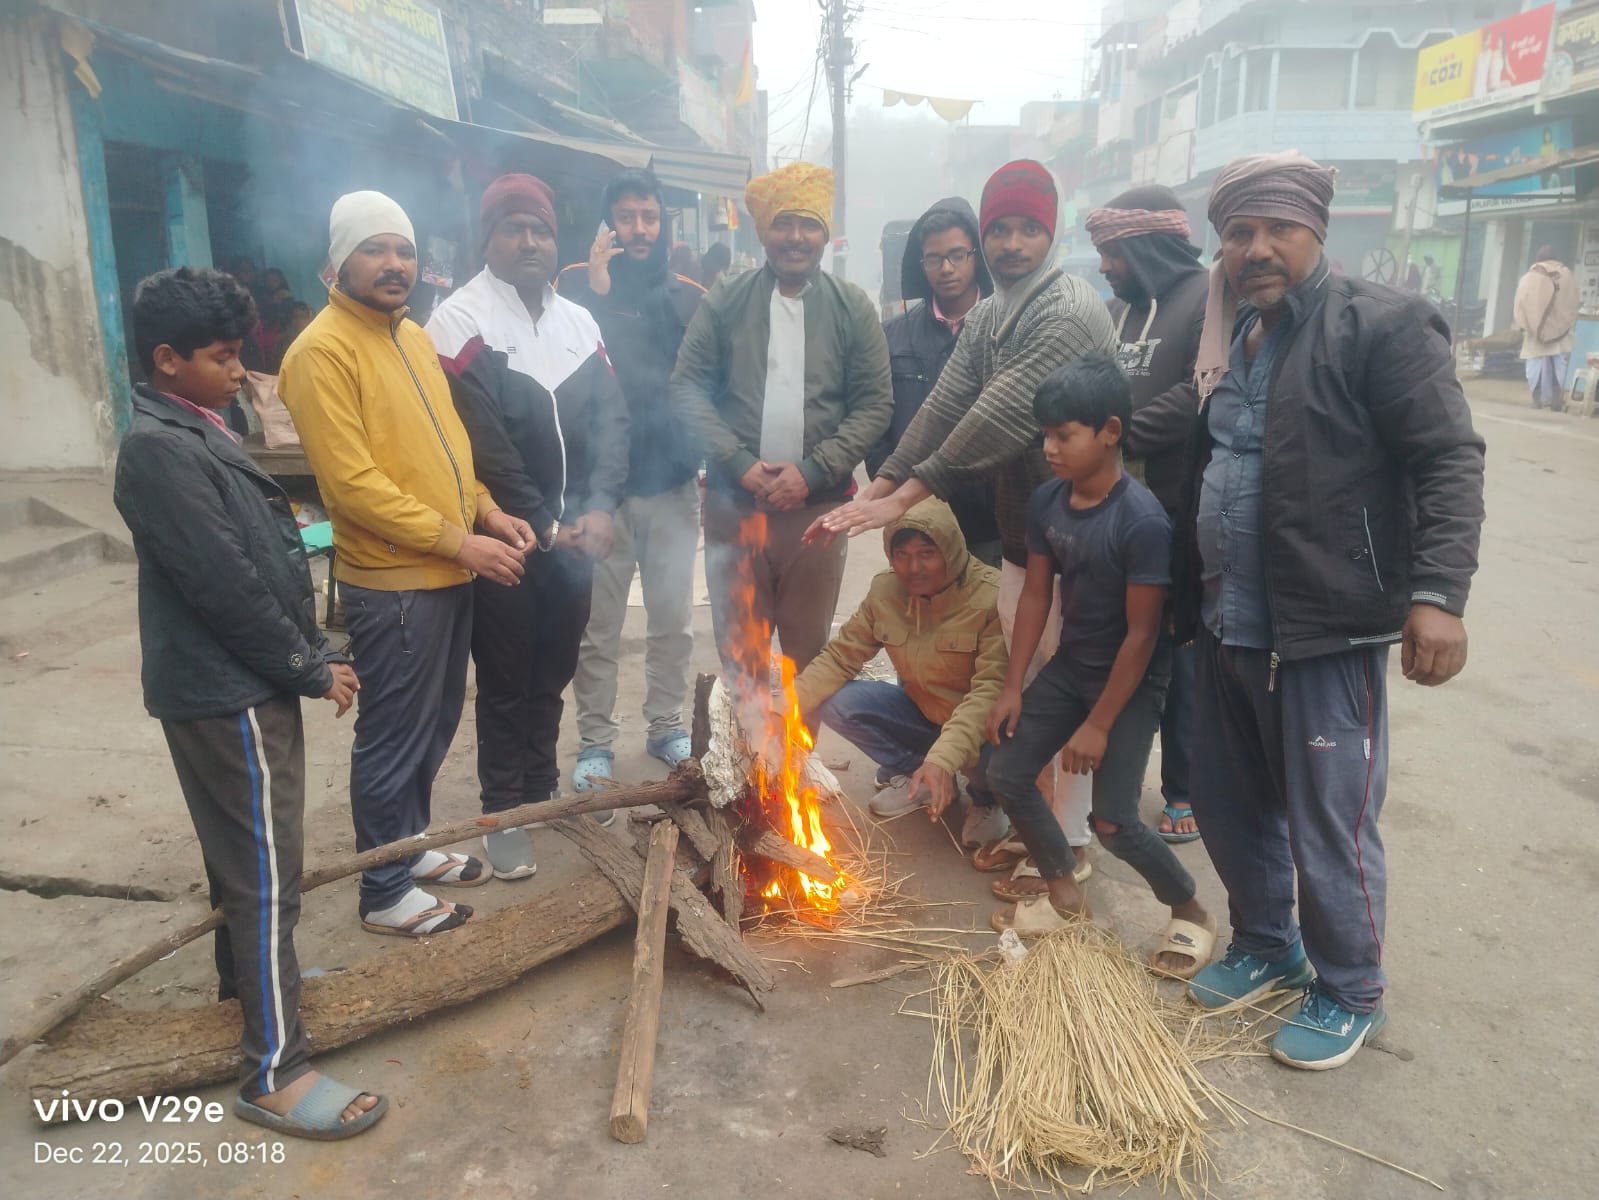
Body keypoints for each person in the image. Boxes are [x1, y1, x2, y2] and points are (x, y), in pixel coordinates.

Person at [1179, 152, 1485, 1070]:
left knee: (1330, 819)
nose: (1256, 249)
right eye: (1238, 233)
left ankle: (1350, 988)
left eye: (1278, 229)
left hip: (1324, 625)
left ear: (1320, 231)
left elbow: (1447, 459)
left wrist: (1437, 596)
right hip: (1230, 618)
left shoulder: (1379, 325)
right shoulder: (1243, 334)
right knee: (1233, 808)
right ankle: (1267, 945)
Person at [114, 266, 385, 1138]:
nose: (241, 372)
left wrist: (306, 653)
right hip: (228, 690)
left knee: (244, 864)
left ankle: (246, 996)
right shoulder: (157, 449)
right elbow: (224, 585)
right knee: (267, 877)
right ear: (167, 360)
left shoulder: (193, 425)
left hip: (232, 683)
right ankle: (274, 1069)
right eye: (224, 358)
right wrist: (312, 665)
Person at [814, 159, 1116, 875]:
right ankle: (1028, 820)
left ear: (1052, 232)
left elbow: (996, 415)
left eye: (1028, 229)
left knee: (1059, 692)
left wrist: (900, 498)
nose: (1011, 245)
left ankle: (1065, 848)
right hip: (1026, 540)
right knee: (1025, 685)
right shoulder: (990, 311)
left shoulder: (1066, 309)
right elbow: (943, 405)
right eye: (1000, 230)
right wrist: (881, 487)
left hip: (1084, 543)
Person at [280, 191, 533, 935]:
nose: (395, 264)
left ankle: (409, 846)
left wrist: (486, 509)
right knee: (393, 734)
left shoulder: (413, 338)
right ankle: (384, 891)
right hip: (393, 584)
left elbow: (449, 452)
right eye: (375, 249)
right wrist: (462, 542)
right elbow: (353, 488)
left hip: (448, 568)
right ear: (336, 263)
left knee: (431, 725)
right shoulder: (319, 353)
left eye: (405, 250)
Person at [983, 354, 1213, 980]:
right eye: (1046, 435)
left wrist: (1100, 725)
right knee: (1006, 769)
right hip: (1074, 664)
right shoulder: (1048, 501)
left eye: (1064, 435)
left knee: (1113, 821)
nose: (1050, 449)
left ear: (1110, 431)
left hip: (1131, 681)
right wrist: (1013, 686)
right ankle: (1064, 895)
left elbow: (1142, 636)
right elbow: (1035, 595)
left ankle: (1190, 908)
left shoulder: (1140, 521)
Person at [427, 173, 630, 881]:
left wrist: (601, 503)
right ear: (487, 239)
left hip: (579, 539)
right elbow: (481, 440)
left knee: (554, 668)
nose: (529, 240)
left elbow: (613, 420)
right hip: (507, 535)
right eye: (512, 227)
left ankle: (540, 795)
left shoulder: (579, 322)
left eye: (540, 228)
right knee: (507, 676)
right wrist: (545, 524)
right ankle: (501, 811)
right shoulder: (459, 322)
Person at [671, 161, 893, 676]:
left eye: (808, 224)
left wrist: (812, 471)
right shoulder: (727, 299)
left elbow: (874, 403)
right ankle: (746, 756)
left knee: (808, 658)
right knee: (740, 656)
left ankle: (798, 759)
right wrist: (739, 462)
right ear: (763, 231)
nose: (795, 237)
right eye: (783, 224)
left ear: (825, 233)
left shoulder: (852, 307)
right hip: (735, 506)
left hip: (815, 512)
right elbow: (686, 388)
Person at [554, 169, 704, 792]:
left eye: (649, 216)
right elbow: (573, 376)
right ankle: (595, 741)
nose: (638, 229)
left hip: (670, 487)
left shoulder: (688, 293)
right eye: (626, 217)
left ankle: (666, 724)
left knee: (672, 620)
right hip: (600, 497)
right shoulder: (571, 289)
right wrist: (597, 293)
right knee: (599, 627)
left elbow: (698, 381)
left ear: (662, 222)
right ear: (606, 222)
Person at [1085, 185, 1208, 845]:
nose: (1103, 266)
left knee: (1178, 653)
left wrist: (1113, 435)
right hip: (1114, 516)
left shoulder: (1206, 298)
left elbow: (1203, 391)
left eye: (1112, 253)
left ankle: (1184, 789)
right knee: (1121, 645)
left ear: (1147, 246)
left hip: (1179, 511)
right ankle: (1110, 784)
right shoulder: (1113, 309)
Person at [794, 498, 1007, 837]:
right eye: (901, 555)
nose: (913, 568)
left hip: (981, 730)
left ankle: (985, 799)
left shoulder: (992, 596)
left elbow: (989, 693)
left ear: (950, 551)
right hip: (924, 713)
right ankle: (919, 776)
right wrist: (782, 710)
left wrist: (943, 758)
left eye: (926, 553)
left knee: (1001, 754)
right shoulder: (886, 590)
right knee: (835, 701)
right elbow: (839, 657)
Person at [868, 196, 1002, 568]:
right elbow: (876, 419)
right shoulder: (893, 337)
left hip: (989, 523)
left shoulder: (1006, 331)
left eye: (957, 255)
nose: (946, 268)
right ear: (921, 264)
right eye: (933, 258)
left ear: (977, 256)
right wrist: (893, 483)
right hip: (912, 521)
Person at [1513, 245, 1577, 412]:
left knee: (1534, 364)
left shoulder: (1530, 276)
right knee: (1559, 365)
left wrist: (1526, 325)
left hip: (1535, 331)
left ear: (1538, 258)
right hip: (1561, 330)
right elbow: (1573, 302)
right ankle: (1556, 399)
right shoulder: (1567, 274)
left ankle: (1537, 399)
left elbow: (1521, 302)